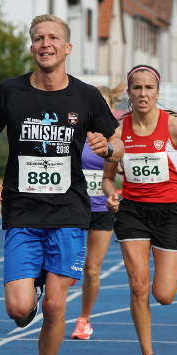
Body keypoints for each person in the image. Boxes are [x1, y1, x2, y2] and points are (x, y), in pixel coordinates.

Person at [0, 14, 122, 355]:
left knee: (57, 307)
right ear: (32, 46)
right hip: (22, 211)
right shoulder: (11, 92)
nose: (46, 43)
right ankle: (30, 294)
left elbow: (118, 142)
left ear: (67, 47)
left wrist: (106, 149)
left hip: (69, 214)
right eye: (38, 37)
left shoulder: (86, 97)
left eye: (54, 37)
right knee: (20, 310)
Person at [102, 64, 177, 355]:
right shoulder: (119, 131)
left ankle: (171, 278)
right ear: (129, 92)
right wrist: (111, 195)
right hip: (132, 211)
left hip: (170, 212)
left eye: (149, 88)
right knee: (138, 287)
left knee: (163, 294)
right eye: (137, 88)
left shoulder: (174, 127)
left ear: (157, 92)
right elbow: (108, 180)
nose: (143, 94)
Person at [71, 82, 126, 340]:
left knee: (92, 269)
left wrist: (116, 192)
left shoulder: (116, 140)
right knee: (65, 269)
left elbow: (123, 172)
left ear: (111, 108)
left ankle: (84, 319)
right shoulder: (76, 132)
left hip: (102, 210)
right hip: (72, 208)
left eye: (101, 105)